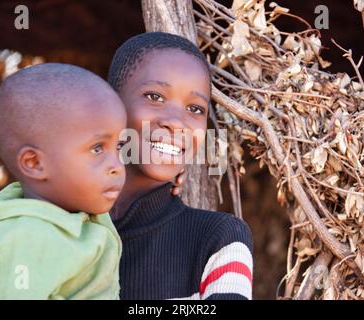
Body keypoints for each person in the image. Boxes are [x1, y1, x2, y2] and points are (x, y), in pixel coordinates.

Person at [0, 63, 127, 299]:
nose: (117, 166)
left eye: (119, 147)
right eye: (97, 149)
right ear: (34, 163)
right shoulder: (29, 238)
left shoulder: (78, 213)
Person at [108, 32, 254, 300]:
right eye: (154, 96)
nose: (176, 123)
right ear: (109, 104)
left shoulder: (219, 240)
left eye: (196, 109)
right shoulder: (57, 226)